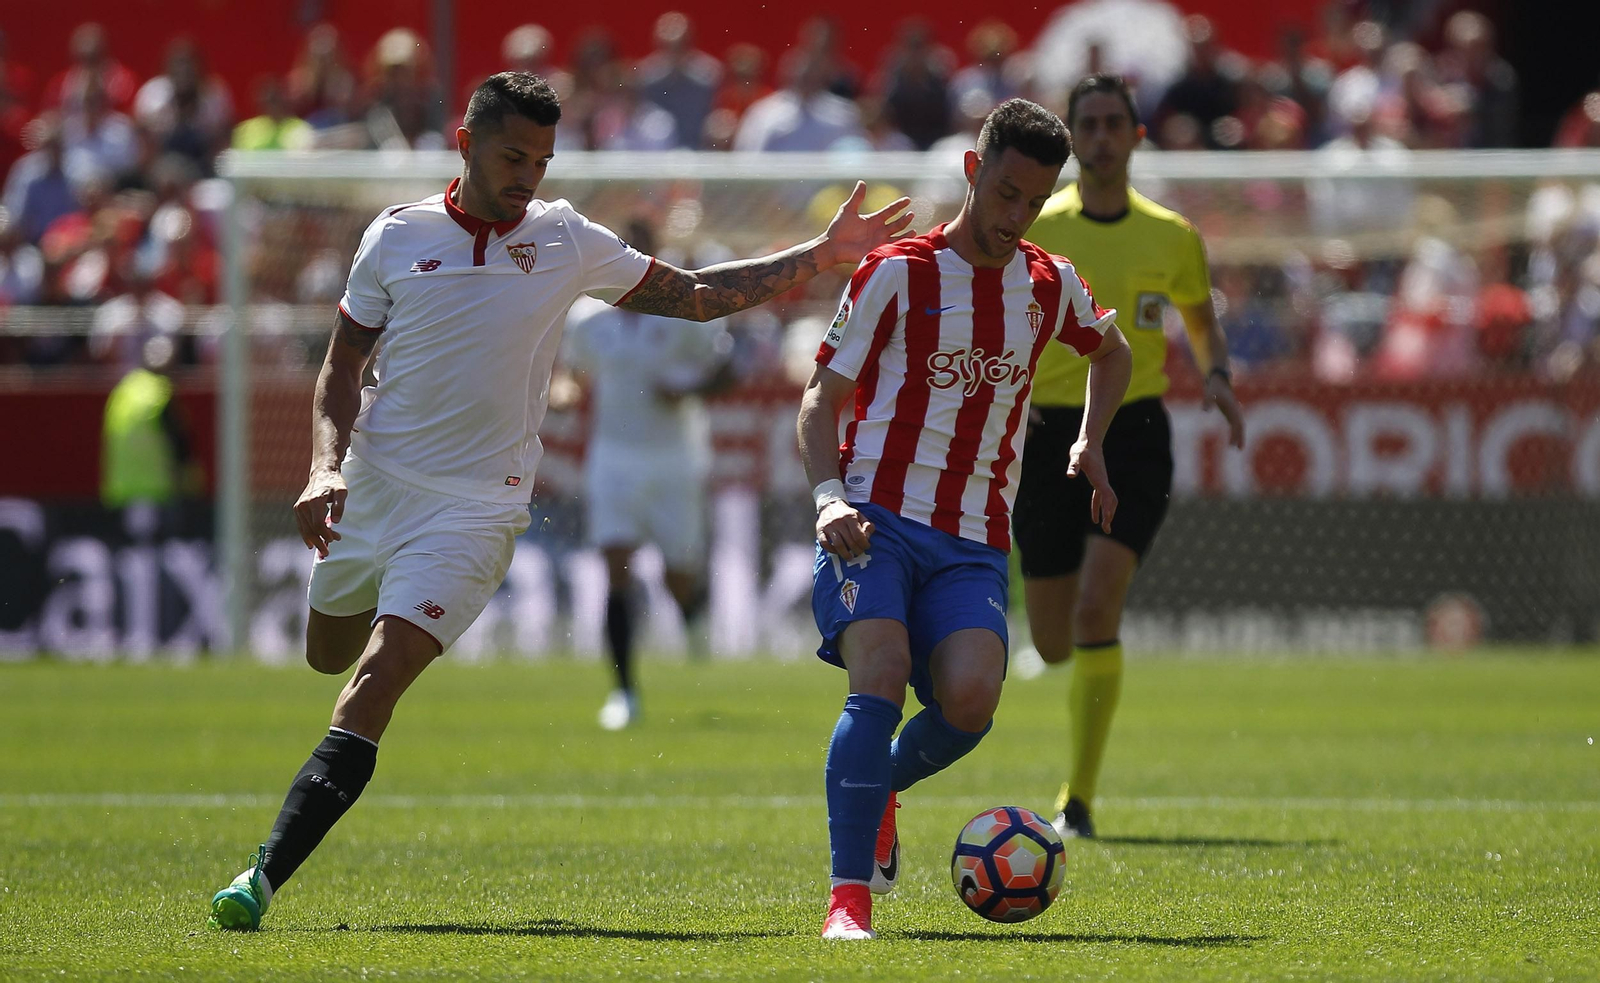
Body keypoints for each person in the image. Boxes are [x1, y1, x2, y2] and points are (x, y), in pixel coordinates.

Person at [207, 71, 912, 932]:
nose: (528, 176)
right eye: (512, 155)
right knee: (327, 652)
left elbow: (692, 296)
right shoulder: (395, 237)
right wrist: (324, 467)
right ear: (465, 145)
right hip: (376, 483)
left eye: (542, 159)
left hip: (476, 508)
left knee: (370, 682)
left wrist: (821, 256)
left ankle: (262, 876)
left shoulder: (565, 238)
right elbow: (341, 363)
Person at [796, 97, 1132, 940]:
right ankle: (848, 901)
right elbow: (820, 399)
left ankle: (883, 791)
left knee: (973, 700)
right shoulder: (894, 273)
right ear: (975, 171)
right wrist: (828, 495)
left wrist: (1091, 439)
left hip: (975, 537)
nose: (1017, 217)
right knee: (878, 671)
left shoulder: (1048, 284)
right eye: (1006, 193)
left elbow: (1114, 350)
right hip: (872, 516)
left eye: (1036, 201)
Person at [1016, 74, 1245, 840]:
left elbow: (1201, 319)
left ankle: (1077, 796)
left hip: (1136, 431)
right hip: (1046, 434)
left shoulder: (1172, 235)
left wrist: (1216, 374)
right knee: (1050, 642)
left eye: (1116, 122)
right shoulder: (1039, 227)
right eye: (1091, 123)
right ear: (1074, 138)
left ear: (1137, 136)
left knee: (1094, 608)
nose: (1104, 135)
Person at [560, 221, 732, 729]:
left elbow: (726, 369)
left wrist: (691, 390)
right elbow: (574, 373)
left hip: (674, 459)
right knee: (616, 564)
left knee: (678, 573)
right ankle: (624, 693)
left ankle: (693, 614)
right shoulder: (588, 319)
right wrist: (568, 392)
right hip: (612, 458)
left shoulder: (685, 312)